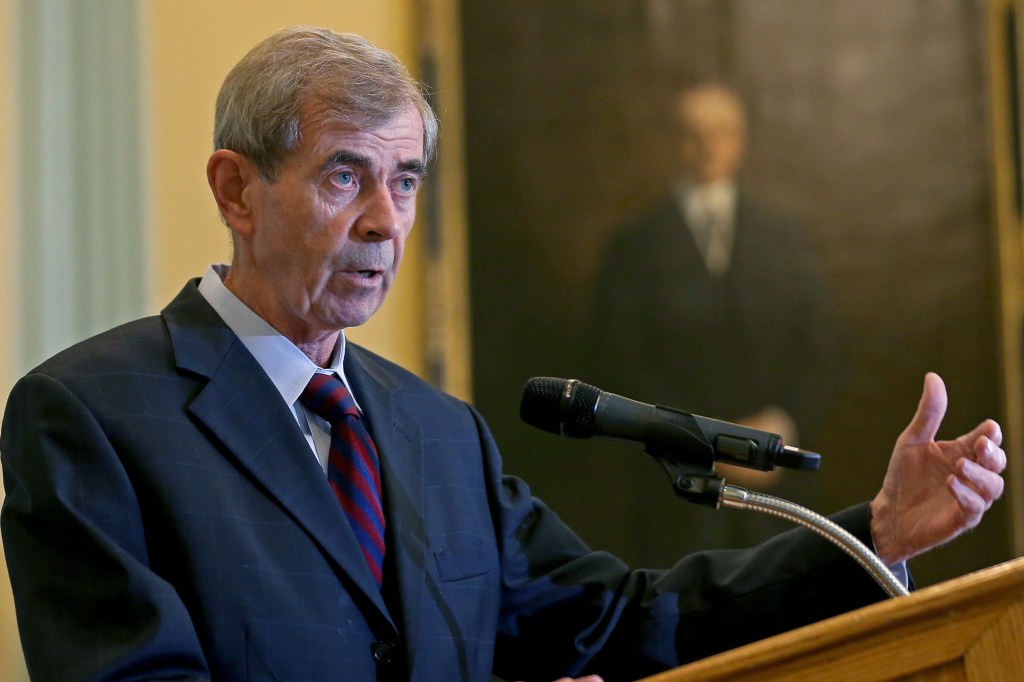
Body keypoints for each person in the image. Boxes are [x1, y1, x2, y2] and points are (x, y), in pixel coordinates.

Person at [0, 27, 1005, 682]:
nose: (385, 222)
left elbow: (625, 622)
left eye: (405, 179)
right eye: (343, 176)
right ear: (235, 190)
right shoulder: (90, 415)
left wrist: (873, 533)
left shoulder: (437, 432)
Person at [588, 83, 842, 553]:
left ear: (740, 141)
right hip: (678, 495)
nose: (707, 147)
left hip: (778, 486)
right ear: (669, 142)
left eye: (721, 132)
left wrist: (784, 424)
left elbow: (820, 349)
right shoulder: (633, 249)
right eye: (692, 134)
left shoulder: (784, 239)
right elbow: (620, 364)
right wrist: (706, 441)